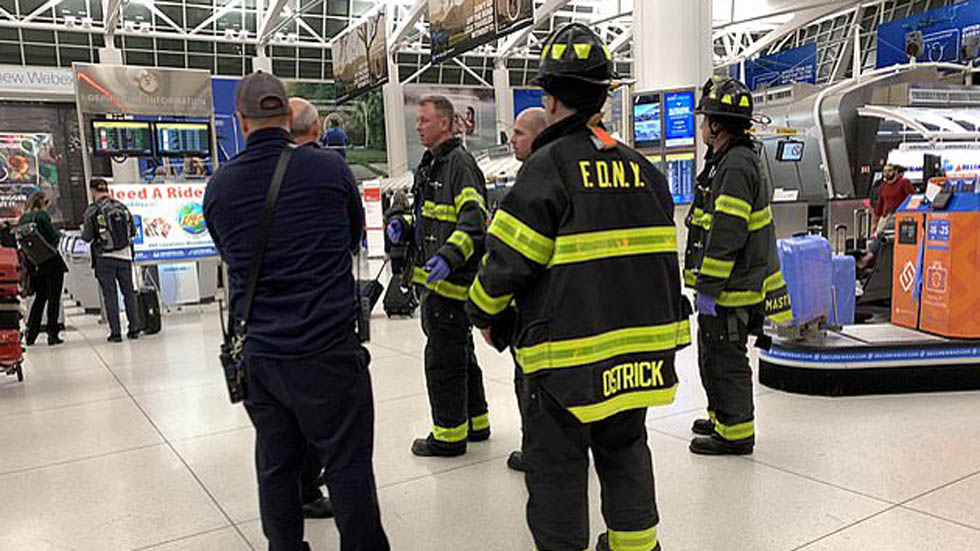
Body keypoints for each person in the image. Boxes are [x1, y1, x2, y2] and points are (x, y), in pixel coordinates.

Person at [467, 23, 692, 551]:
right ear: (603, 95)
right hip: (636, 358)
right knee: (627, 455)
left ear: (549, 99)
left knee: (556, 473)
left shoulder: (546, 168)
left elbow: (504, 264)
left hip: (563, 362)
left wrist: (482, 313)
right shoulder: (644, 169)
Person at [204, 71, 388, 551]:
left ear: (241, 122)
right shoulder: (329, 170)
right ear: (288, 116)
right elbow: (352, 240)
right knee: (346, 464)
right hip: (327, 348)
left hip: (261, 356)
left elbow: (229, 252)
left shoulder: (220, 186)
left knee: (276, 464)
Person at [683, 77, 793, 456]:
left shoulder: (733, 166)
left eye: (704, 120)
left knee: (726, 357)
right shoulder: (730, 159)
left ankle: (736, 433)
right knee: (712, 353)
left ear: (717, 126)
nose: (700, 127)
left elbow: (727, 232)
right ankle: (722, 417)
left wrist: (709, 287)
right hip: (730, 283)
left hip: (731, 287)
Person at [386, 94, 491, 458]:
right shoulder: (433, 165)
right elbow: (433, 217)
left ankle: (447, 436)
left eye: (423, 120)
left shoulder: (459, 165)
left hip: (450, 284)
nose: (418, 127)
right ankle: (477, 423)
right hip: (436, 283)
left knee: (443, 362)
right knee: (462, 353)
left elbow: (474, 221)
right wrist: (404, 223)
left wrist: (448, 257)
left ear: (445, 123)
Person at [287, 95, 336, 522]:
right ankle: (308, 487)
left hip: (267, 330)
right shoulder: (330, 170)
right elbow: (353, 232)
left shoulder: (238, 177)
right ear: (317, 130)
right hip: (323, 322)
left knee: (279, 429)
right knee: (326, 417)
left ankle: (289, 499)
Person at [502, 106, 547, 473]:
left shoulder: (537, 180)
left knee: (531, 383)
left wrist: (486, 312)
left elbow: (511, 256)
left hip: (537, 310)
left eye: (519, 133)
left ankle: (537, 450)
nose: (511, 140)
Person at [81, 178, 141, 343]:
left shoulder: (92, 210)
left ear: (93, 191)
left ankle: (116, 333)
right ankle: (134, 328)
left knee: (110, 295)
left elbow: (87, 237)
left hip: (104, 258)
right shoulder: (122, 207)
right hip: (125, 256)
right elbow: (133, 231)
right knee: (129, 292)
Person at [18, 191, 65, 346]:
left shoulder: (23, 218)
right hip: (51, 261)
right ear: (41, 202)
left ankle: (31, 335)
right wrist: (59, 234)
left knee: (39, 299)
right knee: (53, 298)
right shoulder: (42, 216)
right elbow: (53, 236)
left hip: (34, 263)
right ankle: (53, 334)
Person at [874, 164, 914, 235]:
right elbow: (879, 206)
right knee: (878, 235)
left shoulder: (904, 183)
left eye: (889, 170)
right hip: (886, 216)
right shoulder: (882, 187)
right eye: (885, 171)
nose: (887, 173)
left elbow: (911, 198)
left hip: (900, 215)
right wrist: (875, 222)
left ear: (895, 171)